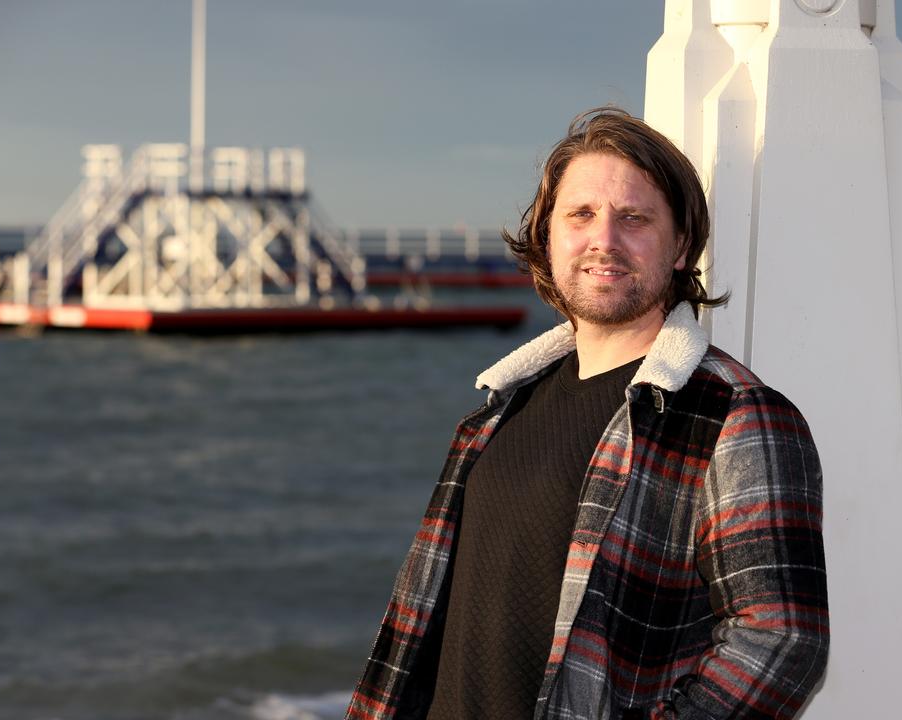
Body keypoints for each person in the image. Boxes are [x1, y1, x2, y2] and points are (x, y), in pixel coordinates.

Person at [346, 107, 828, 720]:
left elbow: (783, 638)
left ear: (680, 247)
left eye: (635, 218)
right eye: (581, 215)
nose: (605, 239)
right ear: (548, 237)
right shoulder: (498, 410)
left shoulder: (736, 415)